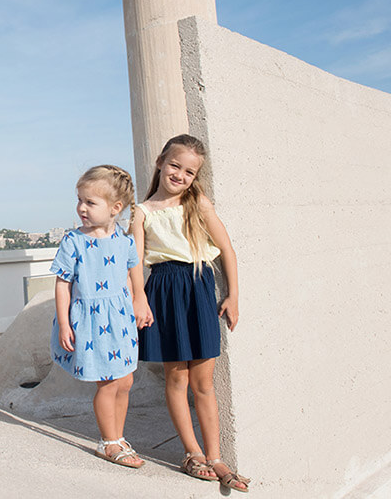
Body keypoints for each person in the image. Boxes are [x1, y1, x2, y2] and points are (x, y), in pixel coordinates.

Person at [131, 134, 249, 491]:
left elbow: (226, 249)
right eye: (175, 166)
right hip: (164, 290)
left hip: (198, 287)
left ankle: (215, 455)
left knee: (203, 383)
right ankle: (192, 452)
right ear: (161, 163)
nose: (180, 175)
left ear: (196, 177)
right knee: (176, 378)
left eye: (189, 171)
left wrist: (233, 296)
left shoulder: (199, 203)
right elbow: (135, 261)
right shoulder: (142, 211)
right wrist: (139, 298)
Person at [49, 165, 153, 468]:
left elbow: (134, 269)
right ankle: (108, 442)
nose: (82, 207)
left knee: (125, 381)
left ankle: (118, 437)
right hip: (91, 322)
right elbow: (62, 284)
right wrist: (65, 323)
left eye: (90, 202)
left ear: (115, 208)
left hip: (119, 320)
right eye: (80, 200)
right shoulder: (74, 241)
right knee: (107, 382)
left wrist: (140, 299)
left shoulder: (124, 240)